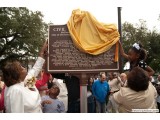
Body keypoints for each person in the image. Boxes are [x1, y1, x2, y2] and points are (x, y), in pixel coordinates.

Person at [2, 40, 48, 113]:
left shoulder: (26, 81)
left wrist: (42, 53)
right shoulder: (15, 90)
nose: (24, 68)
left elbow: (36, 68)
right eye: (21, 68)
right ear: (16, 74)